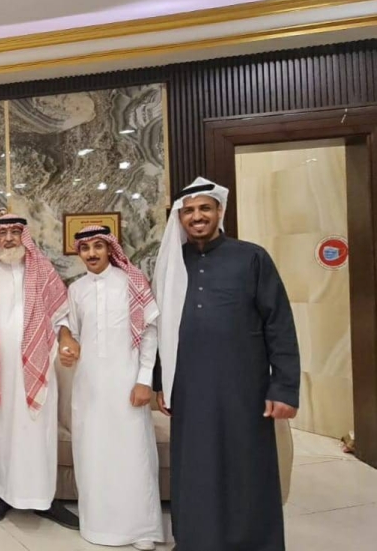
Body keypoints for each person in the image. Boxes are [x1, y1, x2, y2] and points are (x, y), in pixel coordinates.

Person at [153, 177, 299, 551]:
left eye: (205, 208)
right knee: (195, 466)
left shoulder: (251, 257)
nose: (196, 216)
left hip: (243, 385)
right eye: (188, 210)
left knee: (246, 464)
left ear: (219, 211)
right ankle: (197, 541)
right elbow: (159, 328)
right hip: (188, 386)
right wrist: (160, 383)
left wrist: (284, 387)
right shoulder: (172, 264)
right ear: (179, 218)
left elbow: (279, 324)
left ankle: (254, 542)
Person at [0, 214, 80, 528]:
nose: (9, 238)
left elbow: (61, 314)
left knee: (38, 432)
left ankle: (43, 499)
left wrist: (65, 336)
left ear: (24, 235)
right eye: (3, 233)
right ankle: (1, 495)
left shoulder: (43, 270)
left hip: (37, 365)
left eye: (15, 232)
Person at [64, 225, 163, 550]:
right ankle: (98, 525)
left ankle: (141, 529)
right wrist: (67, 346)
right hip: (89, 385)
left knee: (133, 452)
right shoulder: (76, 289)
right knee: (93, 452)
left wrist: (144, 379)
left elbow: (149, 332)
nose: (91, 253)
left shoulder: (132, 283)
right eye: (85, 248)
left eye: (98, 246)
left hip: (127, 383)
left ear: (110, 248)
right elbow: (71, 332)